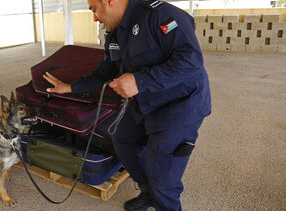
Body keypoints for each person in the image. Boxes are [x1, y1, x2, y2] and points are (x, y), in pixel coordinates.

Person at [43, 0, 211, 210]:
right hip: (147, 101)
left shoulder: (160, 14)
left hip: (180, 105)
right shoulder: (115, 33)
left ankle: (159, 193)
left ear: (109, 1)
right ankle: (148, 191)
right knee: (123, 138)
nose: (94, 17)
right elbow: (106, 71)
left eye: (94, 9)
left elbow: (191, 60)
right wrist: (70, 87)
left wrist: (139, 81)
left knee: (163, 179)